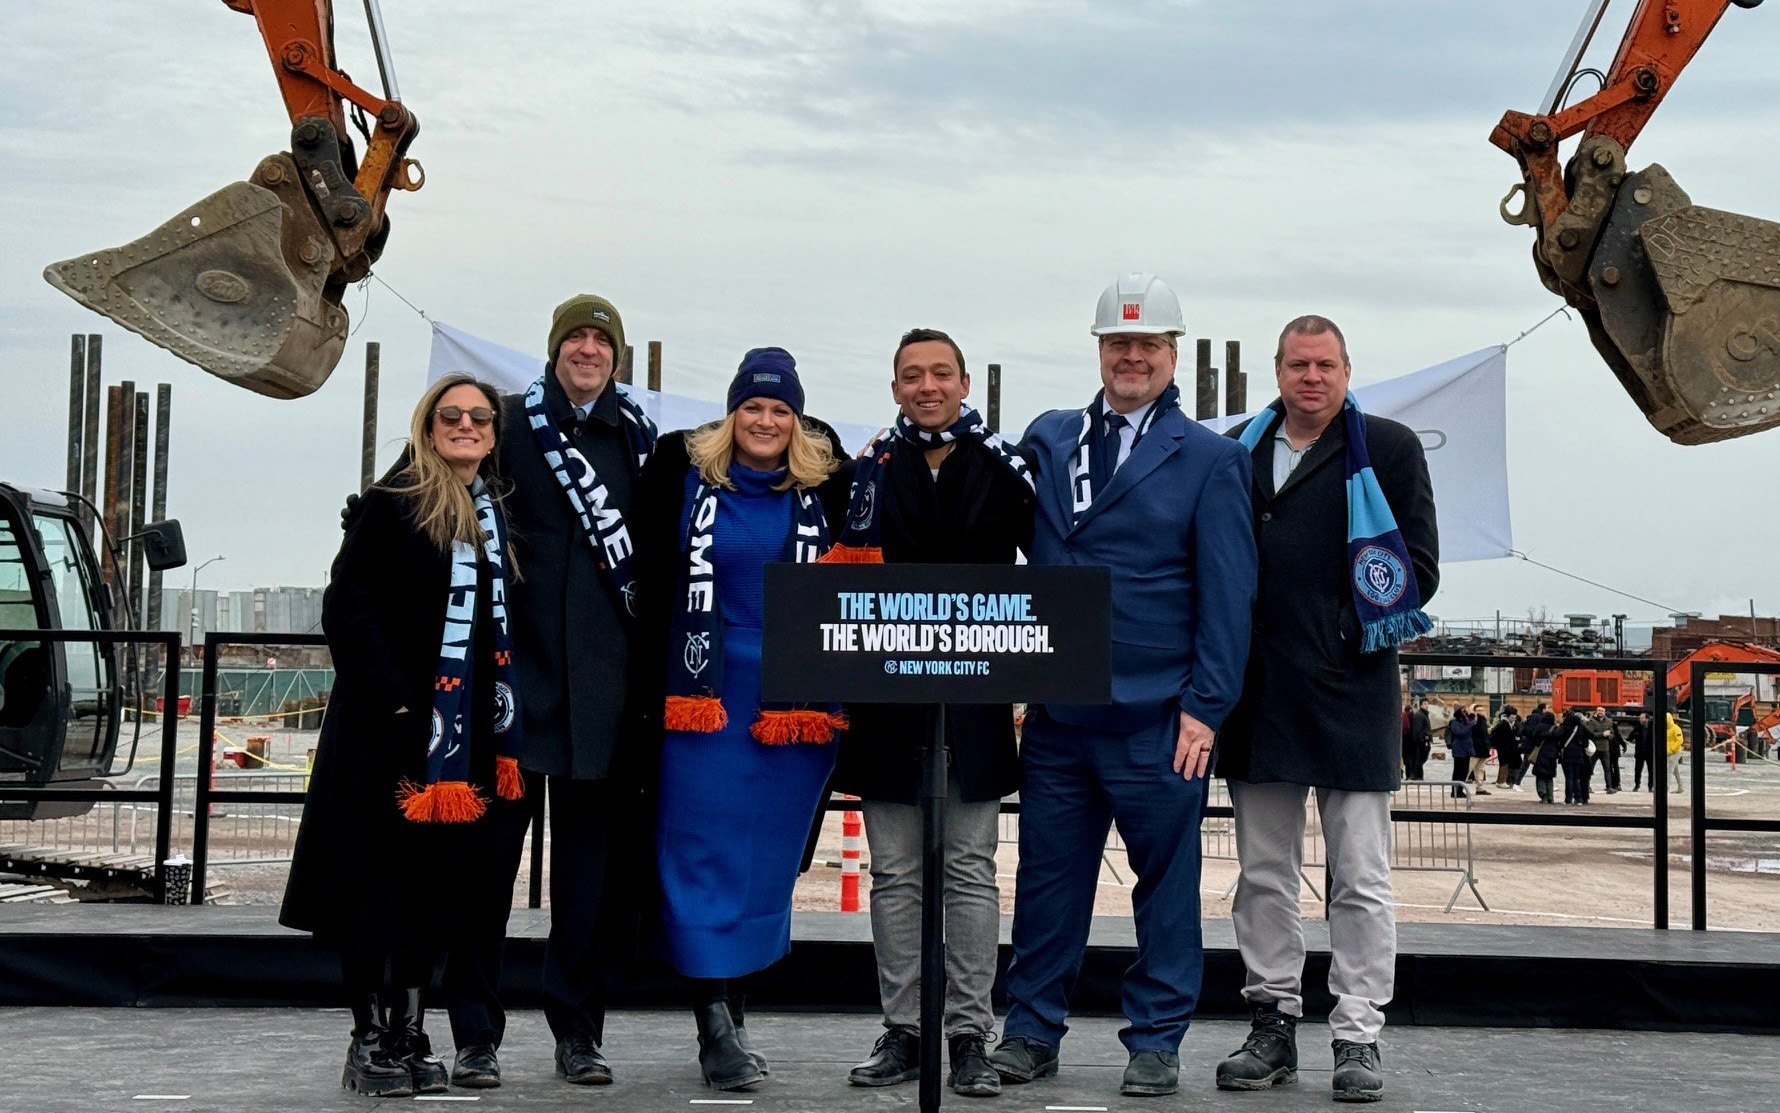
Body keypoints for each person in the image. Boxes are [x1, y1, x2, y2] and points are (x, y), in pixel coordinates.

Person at [989, 273, 1256, 1099]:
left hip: (1157, 717)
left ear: (1173, 354)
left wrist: (1204, 708)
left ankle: (1157, 1038)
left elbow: (1228, 594)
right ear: (1099, 350)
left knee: (1166, 888)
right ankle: (1030, 1029)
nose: (1131, 356)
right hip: (1061, 717)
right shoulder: (1050, 436)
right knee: (1045, 881)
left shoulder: (1212, 460)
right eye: (1117, 343)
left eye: (1146, 344)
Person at [1215, 314, 1439, 1105]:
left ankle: (1357, 1033)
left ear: (1347, 371)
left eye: (1327, 365)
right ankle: (1272, 1020)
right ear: (1277, 372)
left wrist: (1346, 630)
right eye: (1299, 364)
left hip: (1351, 691)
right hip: (1259, 695)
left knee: (1362, 876)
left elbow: (1419, 566)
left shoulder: (1390, 447)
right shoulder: (1235, 449)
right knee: (1263, 873)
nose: (1312, 377)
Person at [283, 375, 524, 1098]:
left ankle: (411, 1029)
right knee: (371, 891)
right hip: (383, 737)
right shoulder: (394, 504)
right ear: (428, 424)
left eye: (479, 417)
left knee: (432, 892)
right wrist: (394, 704)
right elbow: (347, 609)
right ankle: (368, 1037)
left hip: (458, 744)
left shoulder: (493, 511)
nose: (466, 425)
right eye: (450, 415)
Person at [442, 294, 659, 1089]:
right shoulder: (501, 421)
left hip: (601, 702)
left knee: (587, 889)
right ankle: (475, 1035)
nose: (589, 349)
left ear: (618, 354)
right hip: (512, 689)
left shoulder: (637, 441)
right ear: (554, 348)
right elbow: (435, 479)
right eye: (577, 336)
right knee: (484, 875)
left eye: (603, 339)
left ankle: (579, 1032)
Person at [633, 348, 853, 1091]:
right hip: (704, 699)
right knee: (699, 856)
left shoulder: (826, 488)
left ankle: (737, 1009)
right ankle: (713, 1025)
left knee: (765, 864)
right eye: (752, 407)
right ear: (732, 415)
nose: (765, 420)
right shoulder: (684, 478)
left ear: (798, 420)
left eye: (780, 409)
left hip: (795, 710)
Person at [830, 329, 1035, 1097]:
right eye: (912, 375)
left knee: (973, 870)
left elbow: (1048, 572)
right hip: (885, 701)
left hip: (976, 700)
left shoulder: (1007, 470)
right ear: (894, 388)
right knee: (896, 872)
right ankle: (904, 1029)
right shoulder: (866, 473)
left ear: (964, 381)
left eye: (939, 373)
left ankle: (970, 1033)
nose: (926, 386)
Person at [1558, 708, 1594, 804]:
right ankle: (1579, 798)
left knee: (1569, 777)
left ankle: (1568, 799)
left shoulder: (1565, 726)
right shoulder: (1581, 727)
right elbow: (1591, 735)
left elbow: (1558, 736)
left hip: (1567, 754)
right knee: (1575, 777)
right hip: (1579, 755)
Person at [1516, 702, 1553, 791]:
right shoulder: (1538, 718)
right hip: (1533, 745)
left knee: (1528, 764)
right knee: (1527, 764)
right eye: (1548, 707)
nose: (1550, 709)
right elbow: (1533, 731)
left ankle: (1545, 785)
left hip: (1531, 744)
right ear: (1543, 709)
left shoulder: (1535, 717)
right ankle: (1517, 783)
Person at [1446, 707, 1475, 799]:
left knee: (1464, 772)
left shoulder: (1465, 721)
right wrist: (1469, 725)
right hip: (1459, 749)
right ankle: (1454, 791)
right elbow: (1460, 732)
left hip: (1466, 749)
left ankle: (1460, 790)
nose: (1465, 712)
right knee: (1458, 771)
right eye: (1463, 711)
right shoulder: (1454, 722)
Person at [1492, 706, 1522, 789]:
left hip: (1508, 747)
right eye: (1512, 717)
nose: (1513, 719)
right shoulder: (1503, 724)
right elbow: (1496, 735)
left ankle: (1501, 780)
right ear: (1508, 716)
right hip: (1503, 747)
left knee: (1506, 763)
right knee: (1504, 763)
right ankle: (1501, 781)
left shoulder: (1512, 725)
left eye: (1515, 717)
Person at [1468, 703, 1494, 795]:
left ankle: (1480, 787)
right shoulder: (1473, 721)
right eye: (1478, 711)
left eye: (1481, 710)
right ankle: (1458, 786)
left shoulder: (1484, 721)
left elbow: (1485, 736)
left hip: (1483, 749)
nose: (1480, 712)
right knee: (1469, 768)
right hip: (1475, 749)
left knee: (1480, 769)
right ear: (1474, 712)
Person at [1405, 699, 1432, 780]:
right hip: (1421, 742)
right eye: (1424, 703)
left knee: (1421, 759)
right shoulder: (1420, 715)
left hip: (1423, 741)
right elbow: (1417, 730)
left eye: (1427, 703)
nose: (1426, 705)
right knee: (1419, 759)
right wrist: (1422, 739)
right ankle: (1417, 775)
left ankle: (1418, 775)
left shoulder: (1424, 714)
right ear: (1421, 705)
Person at [1631, 712, 1654, 792]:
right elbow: (1630, 737)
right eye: (1640, 718)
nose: (1640, 719)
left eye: (1642, 718)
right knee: (1637, 770)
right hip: (1639, 753)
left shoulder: (1652, 728)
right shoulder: (1638, 727)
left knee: (1651, 770)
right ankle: (1637, 785)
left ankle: (1650, 786)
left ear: (1647, 719)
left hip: (1650, 753)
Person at [1667, 713, 1686, 793]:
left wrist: (1672, 749)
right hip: (1670, 752)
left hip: (1675, 752)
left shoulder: (1676, 728)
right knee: (1675, 771)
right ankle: (1680, 787)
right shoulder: (1666, 729)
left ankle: (1666, 788)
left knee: (1669, 770)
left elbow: (1680, 740)